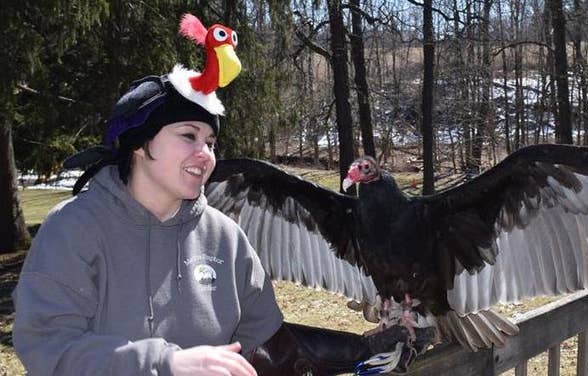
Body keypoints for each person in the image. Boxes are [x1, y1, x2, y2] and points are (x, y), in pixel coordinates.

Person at [12, 59, 428, 374]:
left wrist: (362, 351)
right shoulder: (75, 228)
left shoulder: (224, 237)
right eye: (188, 136)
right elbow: (48, 349)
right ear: (139, 144)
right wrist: (168, 365)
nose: (205, 154)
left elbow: (269, 347)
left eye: (210, 140)